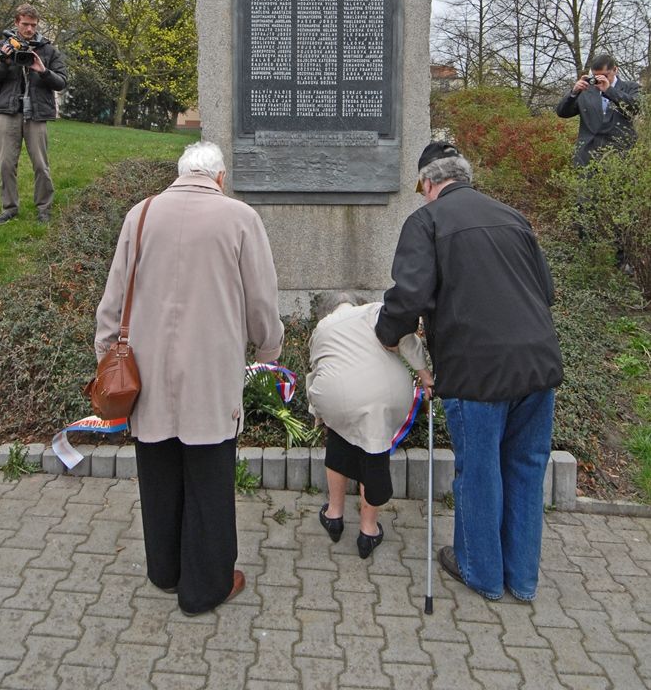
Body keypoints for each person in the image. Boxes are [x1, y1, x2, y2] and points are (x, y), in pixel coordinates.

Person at [95, 141, 284, 615]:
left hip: (147, 369)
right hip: (211, 371)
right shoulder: (240, 218)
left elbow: (115, 293)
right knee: (209, 476)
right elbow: (261, 301)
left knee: (156, 469)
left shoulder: (140, 214)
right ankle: (204, 587)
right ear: (219, 178)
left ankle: (164, 570)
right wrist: (269, 350)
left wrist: (105, 353)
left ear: (180, 174)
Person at [375, 141, 563, 602]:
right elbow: (547, 291)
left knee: (479, 471)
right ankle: (521, 580)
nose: (421, 194)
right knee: (524, 468)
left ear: (430, 181)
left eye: (421, 186)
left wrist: (388, 332)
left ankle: (480, 572)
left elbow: (409, 293)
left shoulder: (427, 221)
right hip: (537, 364)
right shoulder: (512, 217)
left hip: (476, 371)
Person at [307, 292, 430, 559]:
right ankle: (368, 529)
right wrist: (424, 374)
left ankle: (334, 515)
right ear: (355, 302)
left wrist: (321, 412)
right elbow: (406, 339)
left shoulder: (321, 329)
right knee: (374, 443)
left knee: (339, 435)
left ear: (327, 312)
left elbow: (318, 370)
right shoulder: (374, 311)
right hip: (388, 396)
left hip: (339, 398)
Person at [0, 5, 68, 225]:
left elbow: (62, 82)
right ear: (16, 23)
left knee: (41, 164)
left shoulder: (48, 50)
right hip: (8, 111)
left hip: (37, 113)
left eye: (33, 25)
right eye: (25, 24)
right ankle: (9, 208)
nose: (29, 29)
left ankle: (44, 208)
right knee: (6, 164)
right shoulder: (1, 47)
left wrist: (44, 71)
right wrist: (4, 62)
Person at [555, 53, 640, 167]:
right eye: (596, 76)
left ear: (615, 70)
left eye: (604, 75)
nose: (599, 79)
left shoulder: (631, 87)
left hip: (619, 155)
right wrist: (573, 93)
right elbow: (562, 113)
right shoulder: (586, 90)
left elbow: (635, 108)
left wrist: (609, 90)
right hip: (587, 157)